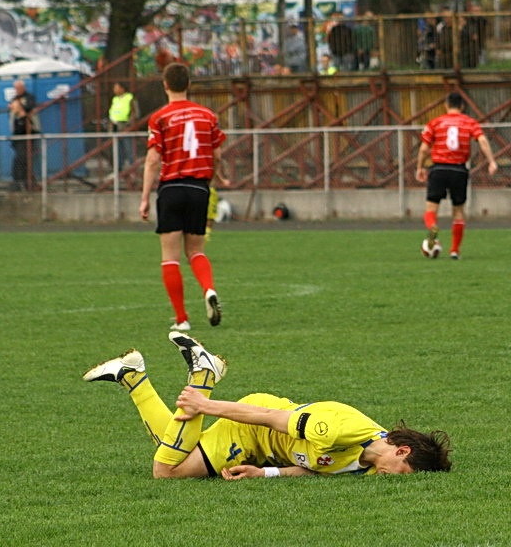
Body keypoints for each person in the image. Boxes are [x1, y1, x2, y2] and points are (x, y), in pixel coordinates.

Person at [82, 331, 453, 478]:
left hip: (264, 452)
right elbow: (268, 417)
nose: (394, 479)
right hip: (252, 428)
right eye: (401, 471)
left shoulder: (372, 467)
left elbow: (319, 472)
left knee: (173, 443)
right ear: (401, 450)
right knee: (166, 471)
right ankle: (204, 375)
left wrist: (266, 474)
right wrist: (204, 404)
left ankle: (132, 376)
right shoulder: (339, 428)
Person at [140, 62, 227, 331]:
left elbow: (154, 159)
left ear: (165, 85)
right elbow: (217, 154)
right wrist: (219, 177)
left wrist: (144, 197)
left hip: (171, 188)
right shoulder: (208, 116)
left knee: (170, 256)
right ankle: (209, 289)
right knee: (197, 250)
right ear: (189, 84)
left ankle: (182, 319)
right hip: (199, 188)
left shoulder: (160, 118)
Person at [415, 92, 498, 260]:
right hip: (459, 170)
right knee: (458, 211)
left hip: (438, 169)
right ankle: (454, 251)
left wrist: (420, 167)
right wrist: (492, 161)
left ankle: (433, 227)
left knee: (431, 209)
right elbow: (482, 141)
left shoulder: (435, 123)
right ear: (462, 106)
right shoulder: (470, 122)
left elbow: (424, 149)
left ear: (446, 105)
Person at [8, 79, 38, 191]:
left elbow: (30, 108)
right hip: (18, 135)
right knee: (19, 159)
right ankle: (19, 182)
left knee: (23, 159)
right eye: (16, 88)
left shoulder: (29, 98)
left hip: (28, 134)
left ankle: (24, 182)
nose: (17, 90)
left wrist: (20, 107)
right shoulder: (14, 99)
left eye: (19, 88)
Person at [108, 82, 140, 167]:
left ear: (122, 88)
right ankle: (119, 169)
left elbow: (135, 113)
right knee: (117, 150)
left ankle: (132, 168)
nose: (114, 90)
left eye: (116, 87)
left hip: (125, 127)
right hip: (115, 126)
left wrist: (128, 125)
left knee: (129, 148)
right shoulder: (115, 99)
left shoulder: (129, 98)